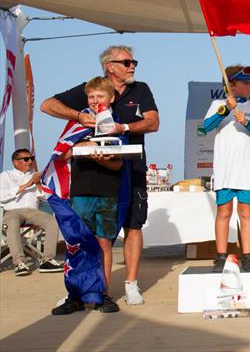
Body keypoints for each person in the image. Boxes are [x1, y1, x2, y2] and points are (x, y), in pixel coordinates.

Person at [40, 45, 159, 305]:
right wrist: (80, 116)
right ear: (109, 66)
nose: (133, 66)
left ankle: (130, 284)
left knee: (133, 226)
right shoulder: (91, 89)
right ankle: (81, 288)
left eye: (133, 61)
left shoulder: (141, 88)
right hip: (91, 178)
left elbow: (153, 123)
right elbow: (47, 105)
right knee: (86, 236)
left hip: (133, 170)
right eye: (127, 61)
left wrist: (123, 126)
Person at [60, 77, 126, 314]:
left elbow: (118, 164)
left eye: (100, 97)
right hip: (80, 193)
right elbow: (62, 156)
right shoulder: (75, 125)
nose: (96, 101)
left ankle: (103, 294)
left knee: (103, 243)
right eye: (91, 97)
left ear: (111, 98)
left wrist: (104, 160)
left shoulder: (116, 124)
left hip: (107, 191)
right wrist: (82, 148)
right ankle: (75, 295)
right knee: (77, 245)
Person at [200, 65, 250, 273]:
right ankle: (221, 256)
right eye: (245, 82)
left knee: (246, 212)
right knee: (224, 211)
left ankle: (247, 256)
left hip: (247, 170)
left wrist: (246, 122)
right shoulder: (218, 104)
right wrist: (226, 110)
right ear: (231, 85)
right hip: (225, 170)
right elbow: (205, 127)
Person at [0, 148, 62, 276]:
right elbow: (2, 196)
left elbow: (44, 197)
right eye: (26, 159)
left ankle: (47, 260)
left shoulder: (35, 176)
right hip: (12, 211)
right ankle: (19, 262)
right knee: (12, 225)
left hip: (33, 212)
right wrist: (28, 184)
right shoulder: (6, 176)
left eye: (32, 159)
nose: (30, 162)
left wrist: (38, 184)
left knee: (53, 222)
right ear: (15, 162)